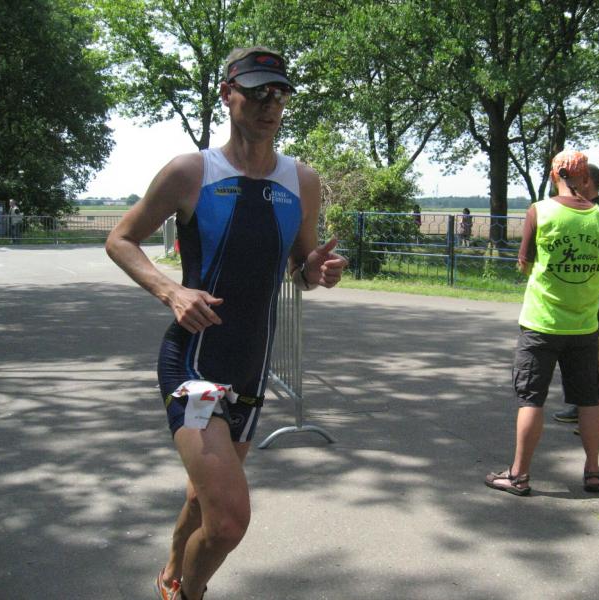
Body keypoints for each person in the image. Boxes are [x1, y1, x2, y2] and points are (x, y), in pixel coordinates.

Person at [105, 46, 348, 600]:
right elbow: (120, 239)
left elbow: (300, 269)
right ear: (227, 94)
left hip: (251, 366)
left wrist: (315, 271)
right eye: (257, 92)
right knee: (230, 520)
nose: (270, 104)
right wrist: (170, 290)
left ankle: (170, 571)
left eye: (279, 94)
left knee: (202, 498)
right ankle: (185, 593)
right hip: (194, 361)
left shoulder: (302, 181)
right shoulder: (191, 172)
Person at [484, 150, 599, 496]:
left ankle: (519, 475)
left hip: (541, 323)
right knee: (588, 401)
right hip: (584, 325)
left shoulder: (540, 211)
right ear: (585, 177)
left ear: (555, 175)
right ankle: (593, 471)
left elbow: (523, 263)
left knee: (531, 400)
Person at [554, 164, 599, 433]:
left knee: (592, 352)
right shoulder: (589, 209)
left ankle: (594, 414)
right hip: (587, 288)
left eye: (573, 179)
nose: (568, 184)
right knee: (583, 351)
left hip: (596, 288)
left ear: (586, 180)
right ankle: (582, 407)